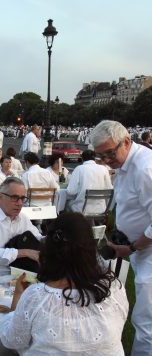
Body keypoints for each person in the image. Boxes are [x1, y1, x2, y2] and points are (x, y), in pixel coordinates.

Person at [0, 213, 128, 355]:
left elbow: (11, 340)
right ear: (91, 248)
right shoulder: (114, 289)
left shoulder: (38, 297)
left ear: (48, 250)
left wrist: (17, 298)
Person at [89, 120, 152, 354]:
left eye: (109, 153)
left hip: (147, 251)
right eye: (100, 155)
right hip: (139, 248)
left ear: (126, 141)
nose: (106, 160)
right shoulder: (128, 162)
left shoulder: (145, 168)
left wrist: (133, 247)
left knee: (146, 322)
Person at [0, 177, 42, 273]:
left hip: (20, 274)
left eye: (23, 198)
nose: (20, 203)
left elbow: (36, 237)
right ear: (0, 197)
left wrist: (48, 239)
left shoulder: (22, 217)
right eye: (14, 198)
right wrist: (25, 252)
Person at [66, 149, 112, 214]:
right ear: (95, 159)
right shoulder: (104, 169)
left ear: (82, 159)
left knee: (67, 203)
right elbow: (109, 189)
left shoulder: (79, 169)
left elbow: (71, 191)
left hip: (81, 209)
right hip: (101, 209)